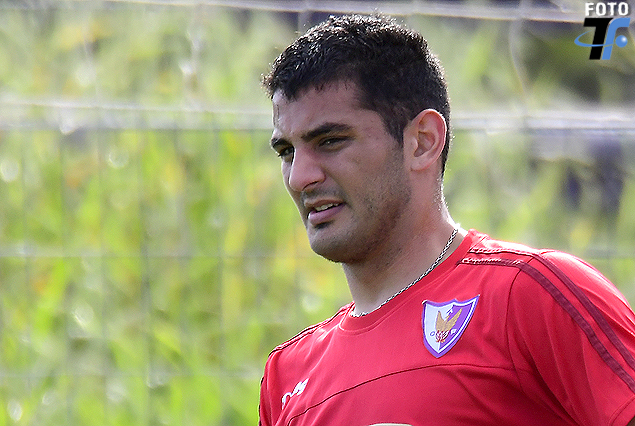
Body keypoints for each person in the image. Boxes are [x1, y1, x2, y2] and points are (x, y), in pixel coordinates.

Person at [259, 13, 635, 426]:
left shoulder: (531, 296)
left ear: (422, 142)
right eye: (287, 152)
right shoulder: (287, 375)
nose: (299, 177)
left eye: (330, 141)